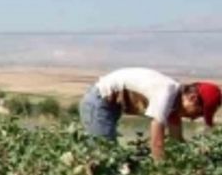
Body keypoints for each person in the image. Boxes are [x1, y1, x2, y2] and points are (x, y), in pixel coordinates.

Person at [80, 68, 220, 161]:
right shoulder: (167, 92)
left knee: (107, 157)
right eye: (199, 113)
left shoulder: (174, 107)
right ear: (192, 98)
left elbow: (176, 141)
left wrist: (199, 159)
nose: (194, 118)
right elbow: (156, 143)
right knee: (104, 155)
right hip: (99, 101)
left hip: (111, 106)